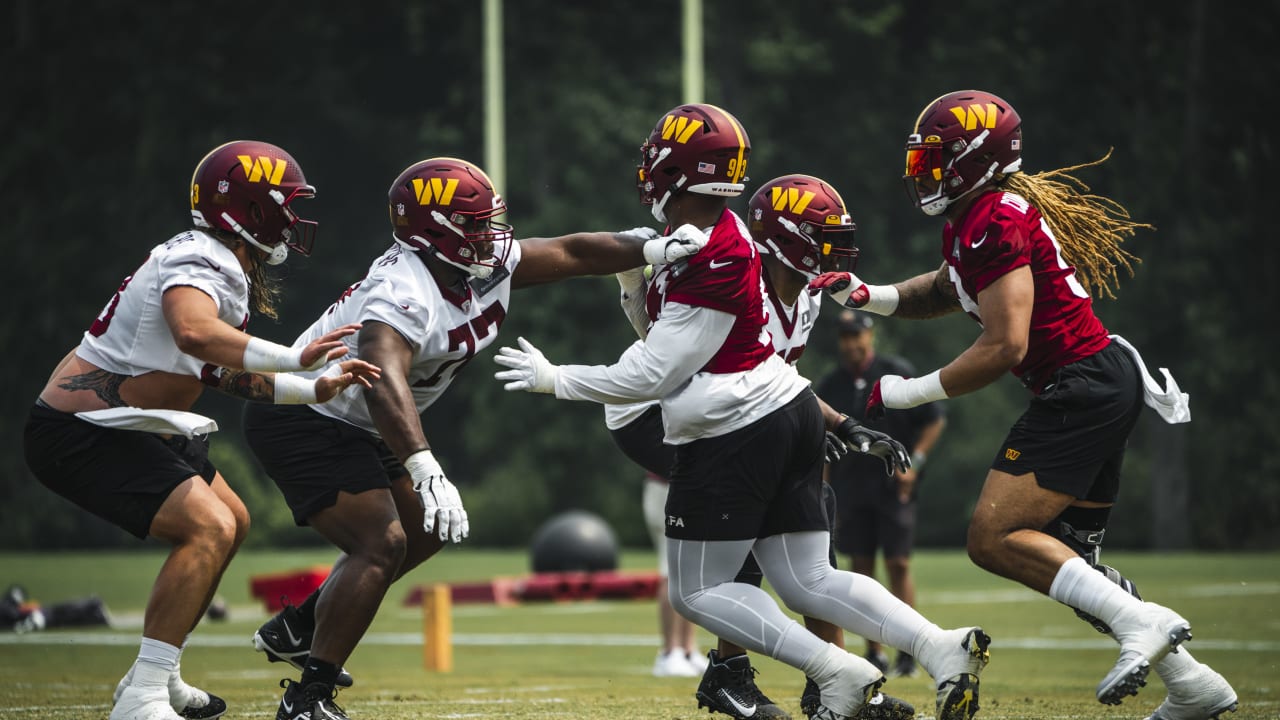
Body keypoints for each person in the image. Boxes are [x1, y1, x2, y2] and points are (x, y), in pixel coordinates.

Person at [494, 103, 991, 720]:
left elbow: (657, 370)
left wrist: (556, 378)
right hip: (762, 411)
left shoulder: (722, 253)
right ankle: (934, 648)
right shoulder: (710, 245)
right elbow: (666, 332)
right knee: (805, 575)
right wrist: (637, 271)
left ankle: (820, 673)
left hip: (721, 418)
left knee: (699, 588)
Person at [809, 89, 1238, 718]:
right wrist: (870, 295)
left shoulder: (991, 219)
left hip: (1080, 386)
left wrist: (907, 391)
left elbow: (1005, 343)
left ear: (975, 160)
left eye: (935, 160)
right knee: (1074, 568)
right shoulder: (980, 215)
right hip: (1098, 380)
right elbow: (947, 289)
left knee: (993, 536)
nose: (922, 173)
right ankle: (1194, 683)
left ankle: (1145, 629)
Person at [242, 156, 711, 720]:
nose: (489, 233)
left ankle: (300, 626)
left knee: (424, 531)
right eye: (474, 222)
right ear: (436, 231)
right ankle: (308, 698)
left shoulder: (476, 261)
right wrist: (424, 465)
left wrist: (647, 249)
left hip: (364, 419)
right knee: (382, 542)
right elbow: (382, 378)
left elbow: (571, 252)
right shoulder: (403, 289)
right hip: (309, 414)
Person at [21, 140, 381, 720]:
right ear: (250, 208)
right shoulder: (201, 257)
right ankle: (140, 699)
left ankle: (153, 674)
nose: (292, 220)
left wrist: (312, 388)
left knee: (233, 520)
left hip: (141, 426)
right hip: (85, 427)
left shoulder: (219, 264)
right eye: (284, 205)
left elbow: (216, 370)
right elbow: (192, 334)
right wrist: (294, 360)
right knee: (208, 527)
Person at [606, 173, 914, 719]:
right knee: (745, 519)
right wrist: (839, 421)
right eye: (822, 238)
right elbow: (675, 361)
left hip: (731, 413)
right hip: (651, 414)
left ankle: (828, 679)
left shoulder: (806, 299)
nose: (835, 252)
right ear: (786, 241)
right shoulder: (737, 276)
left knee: (813, 514)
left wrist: (838, 427)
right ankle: (733, 677)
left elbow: (774, 381)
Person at [817, 309, 947, 679]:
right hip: (849, 487)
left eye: (857, 335)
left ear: (870, 335)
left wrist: (916, 464)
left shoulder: (895, 371)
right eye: (845, 337)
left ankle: (909, 648)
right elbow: (821, 441)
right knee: (859, 567)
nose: (852, 343)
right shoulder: (830, 384)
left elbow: (934, 419)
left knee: (899, 563)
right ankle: (874, 651)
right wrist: (824, 488)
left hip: (893, 486)